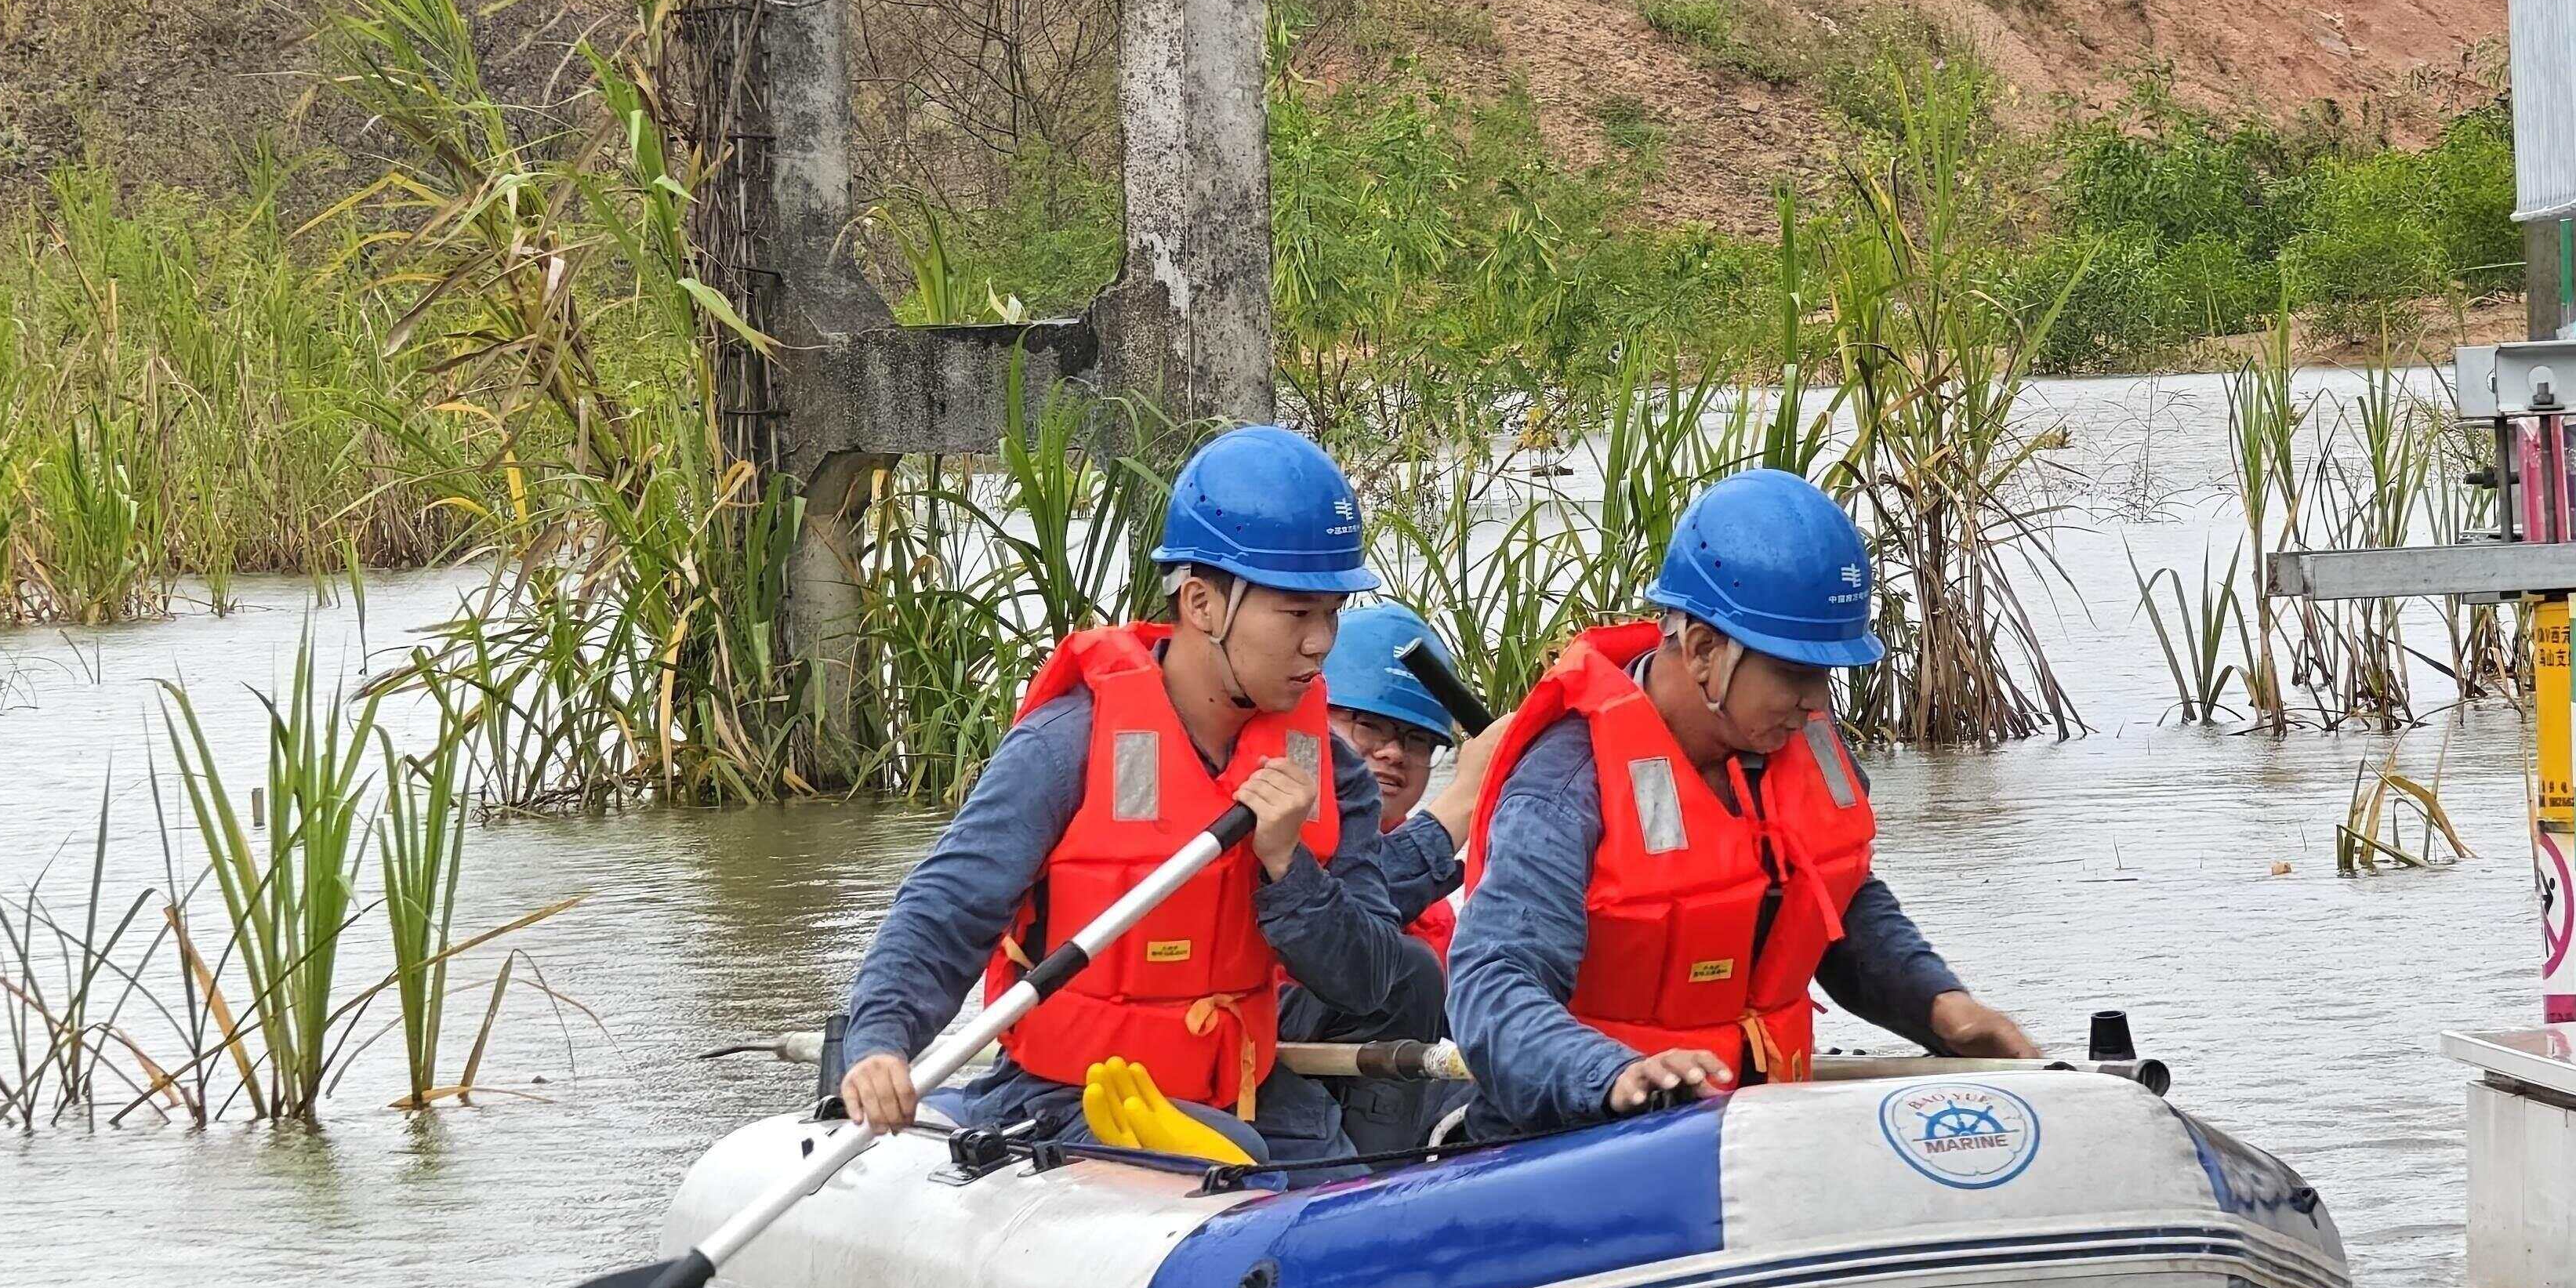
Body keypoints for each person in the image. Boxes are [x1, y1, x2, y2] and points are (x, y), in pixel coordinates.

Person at [834, 423, 1424, 1167]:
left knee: (1324, 1175)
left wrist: (1289, 869)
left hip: (1241, 1089)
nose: (1321, 642)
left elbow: (1369, 977)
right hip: (1068, 1096)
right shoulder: (1067, 745)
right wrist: (881, 1042)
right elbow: (947, 907)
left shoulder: (1328, 772)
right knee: (1235, 1160)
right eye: (1297, 613)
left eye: (1331, 613)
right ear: (1205, 603)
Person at [1445, 468, 2037, 1137]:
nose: (1818, 703)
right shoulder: (1565, 785)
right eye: (1794, 673)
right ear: (1702, 650)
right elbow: (1491, 985)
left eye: (1827, 674)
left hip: (1750, 1136)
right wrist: (1609, 1075)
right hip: (1585, 1138)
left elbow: (1830, 901)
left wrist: (1941, 1006)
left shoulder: (1793, 739)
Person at [1305, 597, 1496, 1153]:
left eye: (1416, 740)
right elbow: (1345, 913)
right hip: (1287, 1075)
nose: (1394, 754)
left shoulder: (1434, 892)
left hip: (1394, 1089)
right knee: (1406, 969)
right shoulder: (1276, 816)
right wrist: (1464, 799)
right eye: (1370, 727)